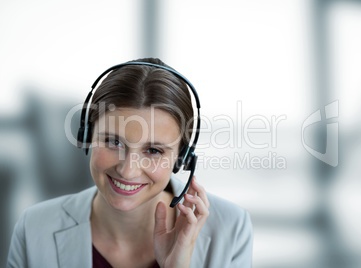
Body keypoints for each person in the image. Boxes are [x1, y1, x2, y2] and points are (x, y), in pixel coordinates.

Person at [7, 58, 253, 268]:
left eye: (154, 150)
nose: (128, 169)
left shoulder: (231, 229)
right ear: (87, 136)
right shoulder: (34, 228)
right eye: (113, 142)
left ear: (181, 158)